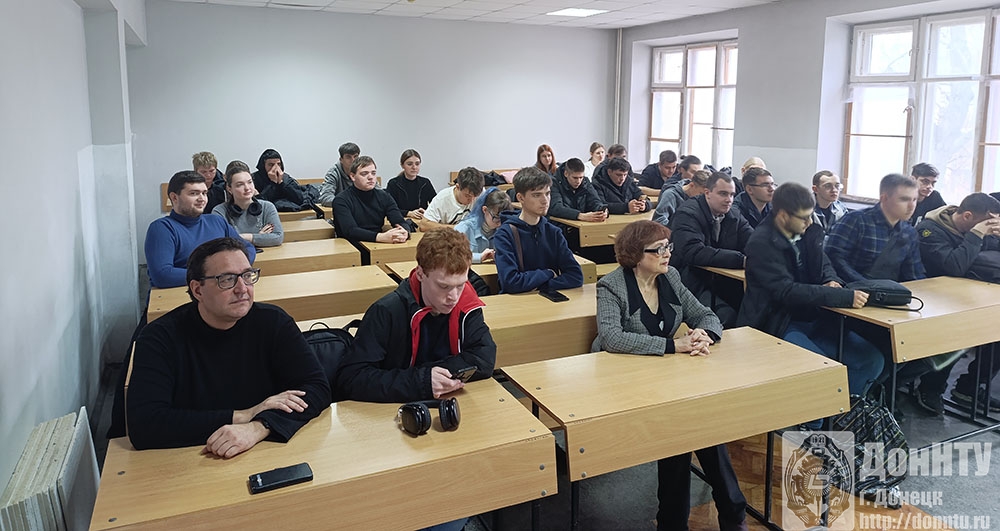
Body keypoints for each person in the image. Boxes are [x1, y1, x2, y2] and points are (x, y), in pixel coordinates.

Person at [594, 220, 747, 531]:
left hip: (666, 379)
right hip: (626, 383)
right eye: (659, 249)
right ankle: (726, 514)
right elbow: (611, 338)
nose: (667, 254)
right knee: (687, 429)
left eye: (668, 247)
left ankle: (703, 517)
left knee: (698, 427)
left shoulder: (670, 277)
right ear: (636, 254)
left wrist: (705, 334)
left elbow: (705, 314)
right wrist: (673, 346)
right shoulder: (611, 285)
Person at [126, 237, 331, 455]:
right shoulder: (159, 337)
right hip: (191, 458)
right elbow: (145, 424)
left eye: (247, 276)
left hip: (263, 451)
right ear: (197, 290)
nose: (242, 289)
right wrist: (245, 415)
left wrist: (259, 427)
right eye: (227, 279)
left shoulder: (274, 322)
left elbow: (317, 387)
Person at [737, 183, 884, 403]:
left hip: (815, 315)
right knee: (822, 370)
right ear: (783, 216)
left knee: (872, 360)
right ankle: (816, 416)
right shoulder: (761, 243)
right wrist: (842, 297)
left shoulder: (808, 230)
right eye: (804, 217)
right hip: (778, 322)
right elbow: (786, 291)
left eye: (811, 215)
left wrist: (831, 280)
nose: (809, 222)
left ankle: (841, 411)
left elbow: (824, 263)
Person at [336, 228, 497, 402]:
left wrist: (432, 377)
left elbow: (484, 358)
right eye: (443, 286)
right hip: (395, 409)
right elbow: (352, 378)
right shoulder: (386, 311)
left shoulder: (467, 303)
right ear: (420, 273)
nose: (454, 296)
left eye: (460, 285)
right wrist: (422, 380)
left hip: (450, 400)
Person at [915, 193, 1000, 413]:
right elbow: (954, 267)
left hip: (972, 296)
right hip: (934, 298)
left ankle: (970, 387)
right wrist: (976, 234)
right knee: (958, 332)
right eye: (987, 224)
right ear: (968, 216)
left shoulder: (980, 226)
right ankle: (930, 388)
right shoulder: (930, 230)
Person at [145, 171, 255, 288]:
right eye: (194, 193)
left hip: (221, 289)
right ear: (174, 197)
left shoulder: (216, 221)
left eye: (204, 193)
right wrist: (217, 275)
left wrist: (233, 269)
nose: (202, 199)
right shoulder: (162, 228)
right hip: (183, 293)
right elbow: (162, 275)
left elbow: (248, 248)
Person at [669, 171, 752, 326]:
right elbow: (693, 252)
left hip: (721, 280)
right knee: (727, 316)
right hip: (688, 279)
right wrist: (741, 260)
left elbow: (753, 241)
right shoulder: (687, 213)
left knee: (757, 307)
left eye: (732, 195)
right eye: (723, 194)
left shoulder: (733, 214)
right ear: (707, 193)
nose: (729, 200)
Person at [494, 167, 584, 294]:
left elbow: (576, 276)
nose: (545, 200)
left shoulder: (554, 232)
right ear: (520, 198)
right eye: (537, 195)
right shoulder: (505, 234)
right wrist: (548, 273)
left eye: (547, 193)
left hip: (547, 300)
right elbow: (510, 282)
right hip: (517, 303)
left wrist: (542, 285)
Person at [826, 174, 925, 283]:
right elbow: (834, 258)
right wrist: (867, 285)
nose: (911, 206)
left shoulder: (909, 232)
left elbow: (914, 273)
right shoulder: (856, 220)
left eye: (914, 200)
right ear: (884, 198)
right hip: (852, 289)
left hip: (890, 290)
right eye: (904, 199)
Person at [332, 156, 410, 246]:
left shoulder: (384, 196)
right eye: (364, 174)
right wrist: (381, 237)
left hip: (377, 244)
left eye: (373, 173)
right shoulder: (341, 200)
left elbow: (399, 221)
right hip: (351, 246)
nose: (370, 177)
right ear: (352, 176)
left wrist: (405, 232)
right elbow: (350, 230)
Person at [212, 161, 284, 247]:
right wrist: (259, 237)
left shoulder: (267, 207)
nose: (247, 188)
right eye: (240, 185)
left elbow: (278, 237)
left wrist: (248, 237)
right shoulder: (219, 211)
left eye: (250, 182)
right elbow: (220, 242)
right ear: (229, 189)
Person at [454, 187, 511, 263]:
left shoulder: (504, 229)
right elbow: (453, 256)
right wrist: (479, 257)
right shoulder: (464, 228)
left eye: (503, 219)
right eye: (496, 217)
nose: (500, 223)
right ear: (485, 210)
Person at [548, 158, 608, 222]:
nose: (578, 181)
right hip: (561, 224)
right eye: (575, 178)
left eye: (581, 177)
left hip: (581, 224)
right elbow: (556, 208)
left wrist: (601, 210)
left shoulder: (585, 182)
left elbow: (595, 201)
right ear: (566, 174)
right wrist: (579, 215)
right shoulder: (553, 183)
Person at [386, 149, 436, 220]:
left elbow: (435, 205)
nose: (414, 167)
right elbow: (389, 208)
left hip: (421, 220)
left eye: (417, 164)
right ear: (402, 165)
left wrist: (427, 212)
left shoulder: (425, 183)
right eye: (409, 164)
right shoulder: (393, 183)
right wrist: (409, 213)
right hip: (402, 220)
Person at [318, 142, 361, 206]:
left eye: (355, 157)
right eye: (348, 157)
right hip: (342, 209)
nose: (353, 160)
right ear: (341, 160)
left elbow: (376, 192)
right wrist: (349, 203)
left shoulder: (364, 171)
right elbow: (325, 197)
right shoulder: (333, 173)